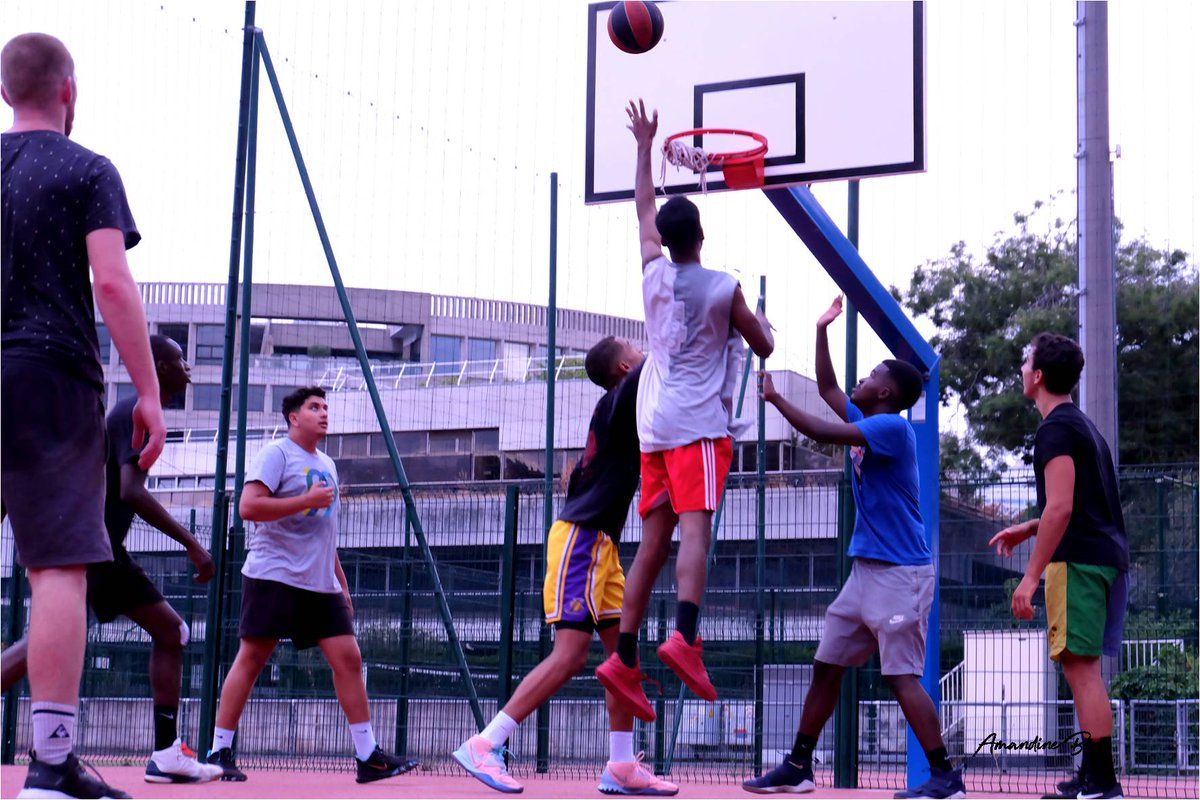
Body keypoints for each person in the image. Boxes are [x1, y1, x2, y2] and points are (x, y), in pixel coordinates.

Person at [2, 32, 167, 799]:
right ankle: (51, 764)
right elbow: (111, 283)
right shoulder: (87, 169)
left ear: (6, 92)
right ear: (68, 90)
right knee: (58, 569)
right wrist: (149, 391)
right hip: (50, 376)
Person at [742, 297, 966, 799]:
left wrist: (775, 400)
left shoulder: (891, 427)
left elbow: (821, 428)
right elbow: (827, 388)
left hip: (901, 574)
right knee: (826, 665)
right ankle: (798, 766)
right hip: (865, 573)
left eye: (869, 375)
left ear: (885, 392)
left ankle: (945, 776)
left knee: (901, 676)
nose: (860, 380)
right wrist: (821, 328)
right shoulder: (869, 419)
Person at [595, 99, 775, 722]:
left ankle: (623, 656)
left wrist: (644, 146)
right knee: (696, 531)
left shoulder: (652, 274)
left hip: (654, 426)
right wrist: (757, 321)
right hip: (698, 424)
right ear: (701, 237)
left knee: (653, 543)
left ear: (666, 241)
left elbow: (643, 207)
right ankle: (685, 636)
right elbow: (763, 345)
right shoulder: (724, 286)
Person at [452, 336, 678, 796]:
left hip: (603, 545)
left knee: (622, 659)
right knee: (571, 654)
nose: (640, 350)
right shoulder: (619, 398)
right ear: (623, 367)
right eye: (632, 348)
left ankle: (620, 765)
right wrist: (693, 318)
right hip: (581, 539)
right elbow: (661, 357)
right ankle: (484, 743)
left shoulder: (625, 409)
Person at [1, 335, 222, 784]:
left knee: (56, 640)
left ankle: (167, 755)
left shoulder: (130, 413)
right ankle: (166, 754)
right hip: (95, 544)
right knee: (166, 632)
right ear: (159, 366)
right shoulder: (136, 411)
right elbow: (131, 490)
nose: (188, 368)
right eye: (181, 359)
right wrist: (191, 543)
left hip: (96, 543)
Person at [204, 387, 417, 784]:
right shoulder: (277, 454)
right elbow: (248, 507)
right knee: (252, 658)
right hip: (275, 574)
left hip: (320, 583)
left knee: (348, 658)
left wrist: (341, 582)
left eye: (325, 407)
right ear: (293, 417)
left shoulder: (328, 464)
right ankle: (219, 752)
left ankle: (368, 756)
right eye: (313, 407)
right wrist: (304, 500)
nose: (323, 413)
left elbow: (324, 531)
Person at [989, 332, 1128, 800]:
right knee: (1083, 669)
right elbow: (1081, 504)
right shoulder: (1084, 427)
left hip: (1080, 563)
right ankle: (1092, 776)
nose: (1022, 369)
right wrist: (1030, 528)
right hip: (1105, 559)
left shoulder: (1055, 430)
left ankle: (1102, 782)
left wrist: (1030, 576)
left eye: (1026, 361)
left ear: (1039, 375)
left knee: (1082, 671)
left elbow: (1063, 508)